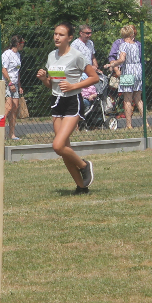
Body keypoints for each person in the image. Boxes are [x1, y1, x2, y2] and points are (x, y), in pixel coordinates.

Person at [36, 22, 99, 194]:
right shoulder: (51, 56)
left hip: (72, 102)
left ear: (70, 38)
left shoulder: (76, 56)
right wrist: (44, 79)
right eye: (55, 33)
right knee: (64, 149)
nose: (57, 37)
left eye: (61, 34)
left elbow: (94, 78)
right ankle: (81, 186)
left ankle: (84, 165)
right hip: (57, 102)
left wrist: (73, 86)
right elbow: (52, 84)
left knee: (58, 145)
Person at [112, 24, 143, 130]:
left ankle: (129, 124)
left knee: (127, 99)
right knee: (138, 98)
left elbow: (122, 59)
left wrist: (112, 64)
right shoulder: (135, 45)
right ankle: (145, 122)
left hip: (128, 71)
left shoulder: (123, 45)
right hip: (137, 70)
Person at [1, 35, 25, 141]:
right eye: (23, 43)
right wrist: (10, 83)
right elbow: (4, 70)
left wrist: (19, 85)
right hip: (7, 83)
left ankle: (12, 134)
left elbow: (17, 72)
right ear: (18, 43)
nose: (23, 45)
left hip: (15, 84)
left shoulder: (18, 55)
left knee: (15, 108)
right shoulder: (7, 54)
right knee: (8, 107)